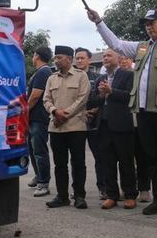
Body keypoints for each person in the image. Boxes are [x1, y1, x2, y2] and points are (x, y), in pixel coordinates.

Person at [87, 8, 157, 217]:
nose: (149, 27)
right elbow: (116, 44)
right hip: (143, 111)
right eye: (146, 24)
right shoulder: (142, 47)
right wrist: (98, 22)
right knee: (151, 157)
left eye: (153, 22)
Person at [87, 49, 138, 210]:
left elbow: (131, 97)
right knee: (107, 162)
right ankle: (111, 195)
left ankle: (130, 195)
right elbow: (92, 101)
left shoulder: (128, 75)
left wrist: (111, 92)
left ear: (119, 58)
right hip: (103, 125)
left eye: (109, 55)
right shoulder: (100, 78)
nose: (105, 58)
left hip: (122, 125)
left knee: (126, 162)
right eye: (104, 56)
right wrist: (102, 95)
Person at [43, 45, 91, 209]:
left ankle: (79, 196)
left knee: (78, 163)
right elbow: (46, 99)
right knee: (60, 164)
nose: (56, 60)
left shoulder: (81, 76)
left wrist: (65, 115)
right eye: (55, 58)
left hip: (75, 127)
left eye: (59, 58)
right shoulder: (51, 78)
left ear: (69, 59)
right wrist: (55, 111)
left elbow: (82, 99)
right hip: (56, 128)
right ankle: (62, 196)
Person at [76, 47, 106, 199]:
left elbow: (102, 97)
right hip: (76, 121)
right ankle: (77, 191)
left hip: (95, 123)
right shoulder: (72, 77)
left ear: (89, 59)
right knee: (77, 159)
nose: (79, 60)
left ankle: (103, 188)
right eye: (77, 58)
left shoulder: (98, 77)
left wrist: (94, 110)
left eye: (82, 58)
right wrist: (82, 112)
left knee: (100, 157)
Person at [26, 46, 53, 197]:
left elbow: (35, 95)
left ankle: (44, 183)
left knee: (39, 150)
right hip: (33, 118)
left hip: (39, 118)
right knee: (32, 149)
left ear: (36, 56)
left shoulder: (44, 72)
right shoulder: (40, 72)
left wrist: (24, 111)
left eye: (33, 55)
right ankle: (38, 176)